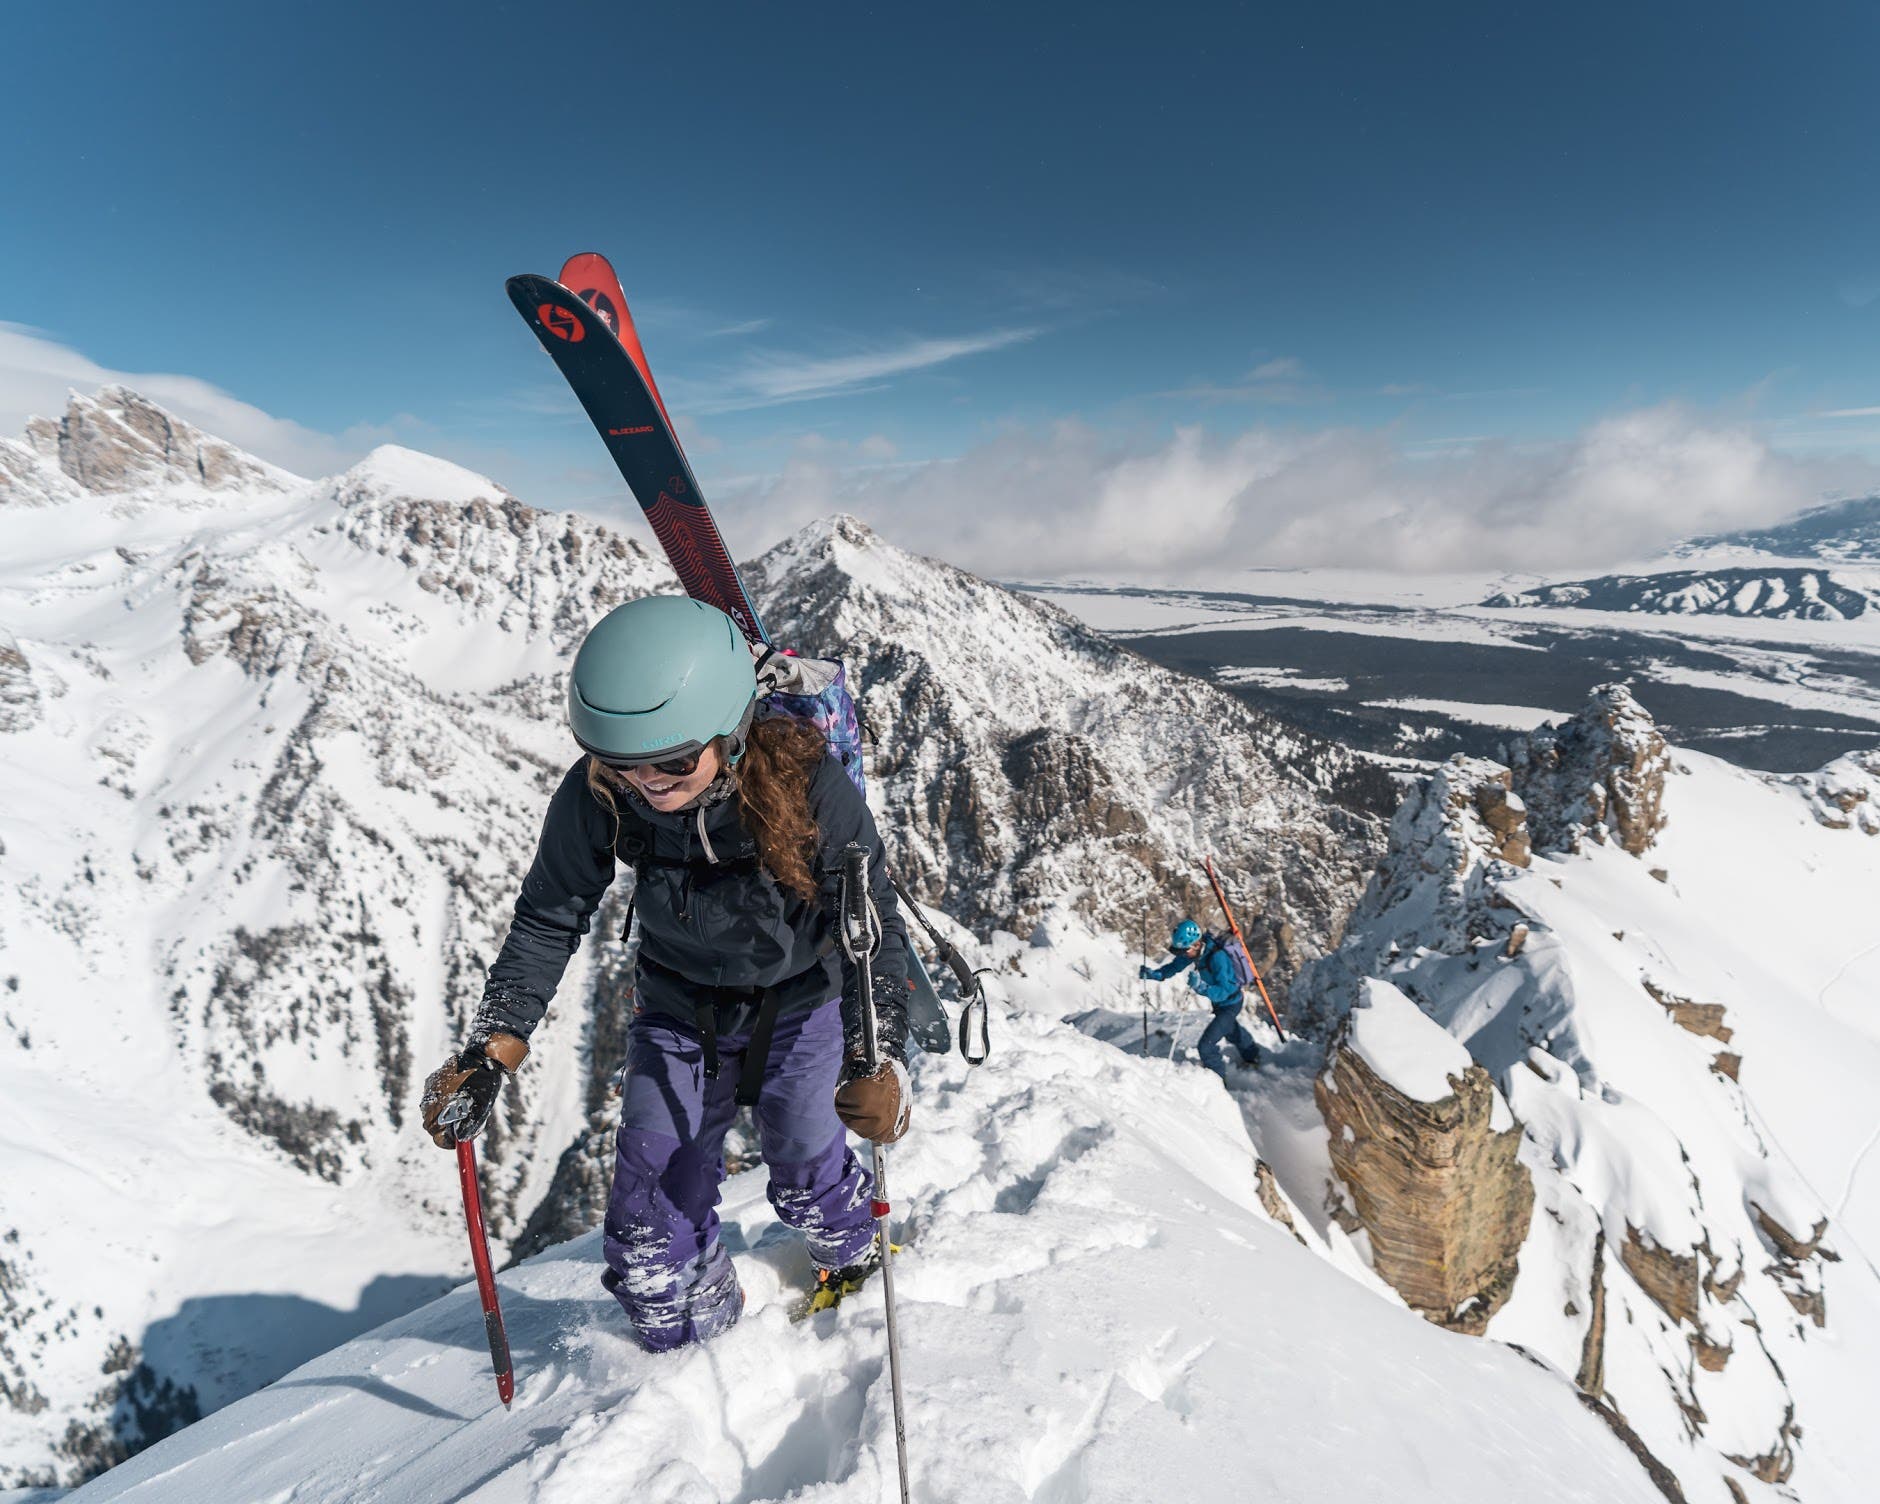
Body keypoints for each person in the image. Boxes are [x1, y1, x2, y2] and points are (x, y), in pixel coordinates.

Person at [419, 595, 912, 1351]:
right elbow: (550, 914)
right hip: (681, 1013)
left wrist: (876, 1055)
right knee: (646, 1235)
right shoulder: (602, 793)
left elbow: (869, 920)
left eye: (675, 761)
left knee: (806, 1176)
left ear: (731, 731)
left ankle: (855, 1263)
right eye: (623, 762)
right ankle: (693, 1364)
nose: (649, 782)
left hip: (802, 1003)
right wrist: (492, 1048)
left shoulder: (808, 784)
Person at [1140, 919, 1262, 1078]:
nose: (1183, 954)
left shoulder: (1217, 957)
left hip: (1230, 1003)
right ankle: (1253, 1055)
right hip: (1221, 1004)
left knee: (1206, 1046)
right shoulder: (1196, 952)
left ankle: (1218, 1083)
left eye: (1185, 951)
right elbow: (1175, 966)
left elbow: (1225, 990)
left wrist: (1201, 987)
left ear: (1196, 945)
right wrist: (1156, 975)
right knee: (1230, 1029)